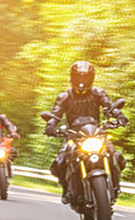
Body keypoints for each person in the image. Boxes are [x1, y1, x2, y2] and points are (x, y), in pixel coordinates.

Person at [44, 61, 128, 203]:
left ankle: (115, 186)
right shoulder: (65, 97)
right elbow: (56, 114)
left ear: (91, 78)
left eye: (85, 78)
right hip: (74, 135)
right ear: (72, 78)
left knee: (116, 156)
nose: (82, 82)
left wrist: (119, 116)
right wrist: (51, 126)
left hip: (96, 133)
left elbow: (109, 106)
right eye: (78, 78)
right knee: (59, 163)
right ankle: (66, 190)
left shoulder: (97, 93)